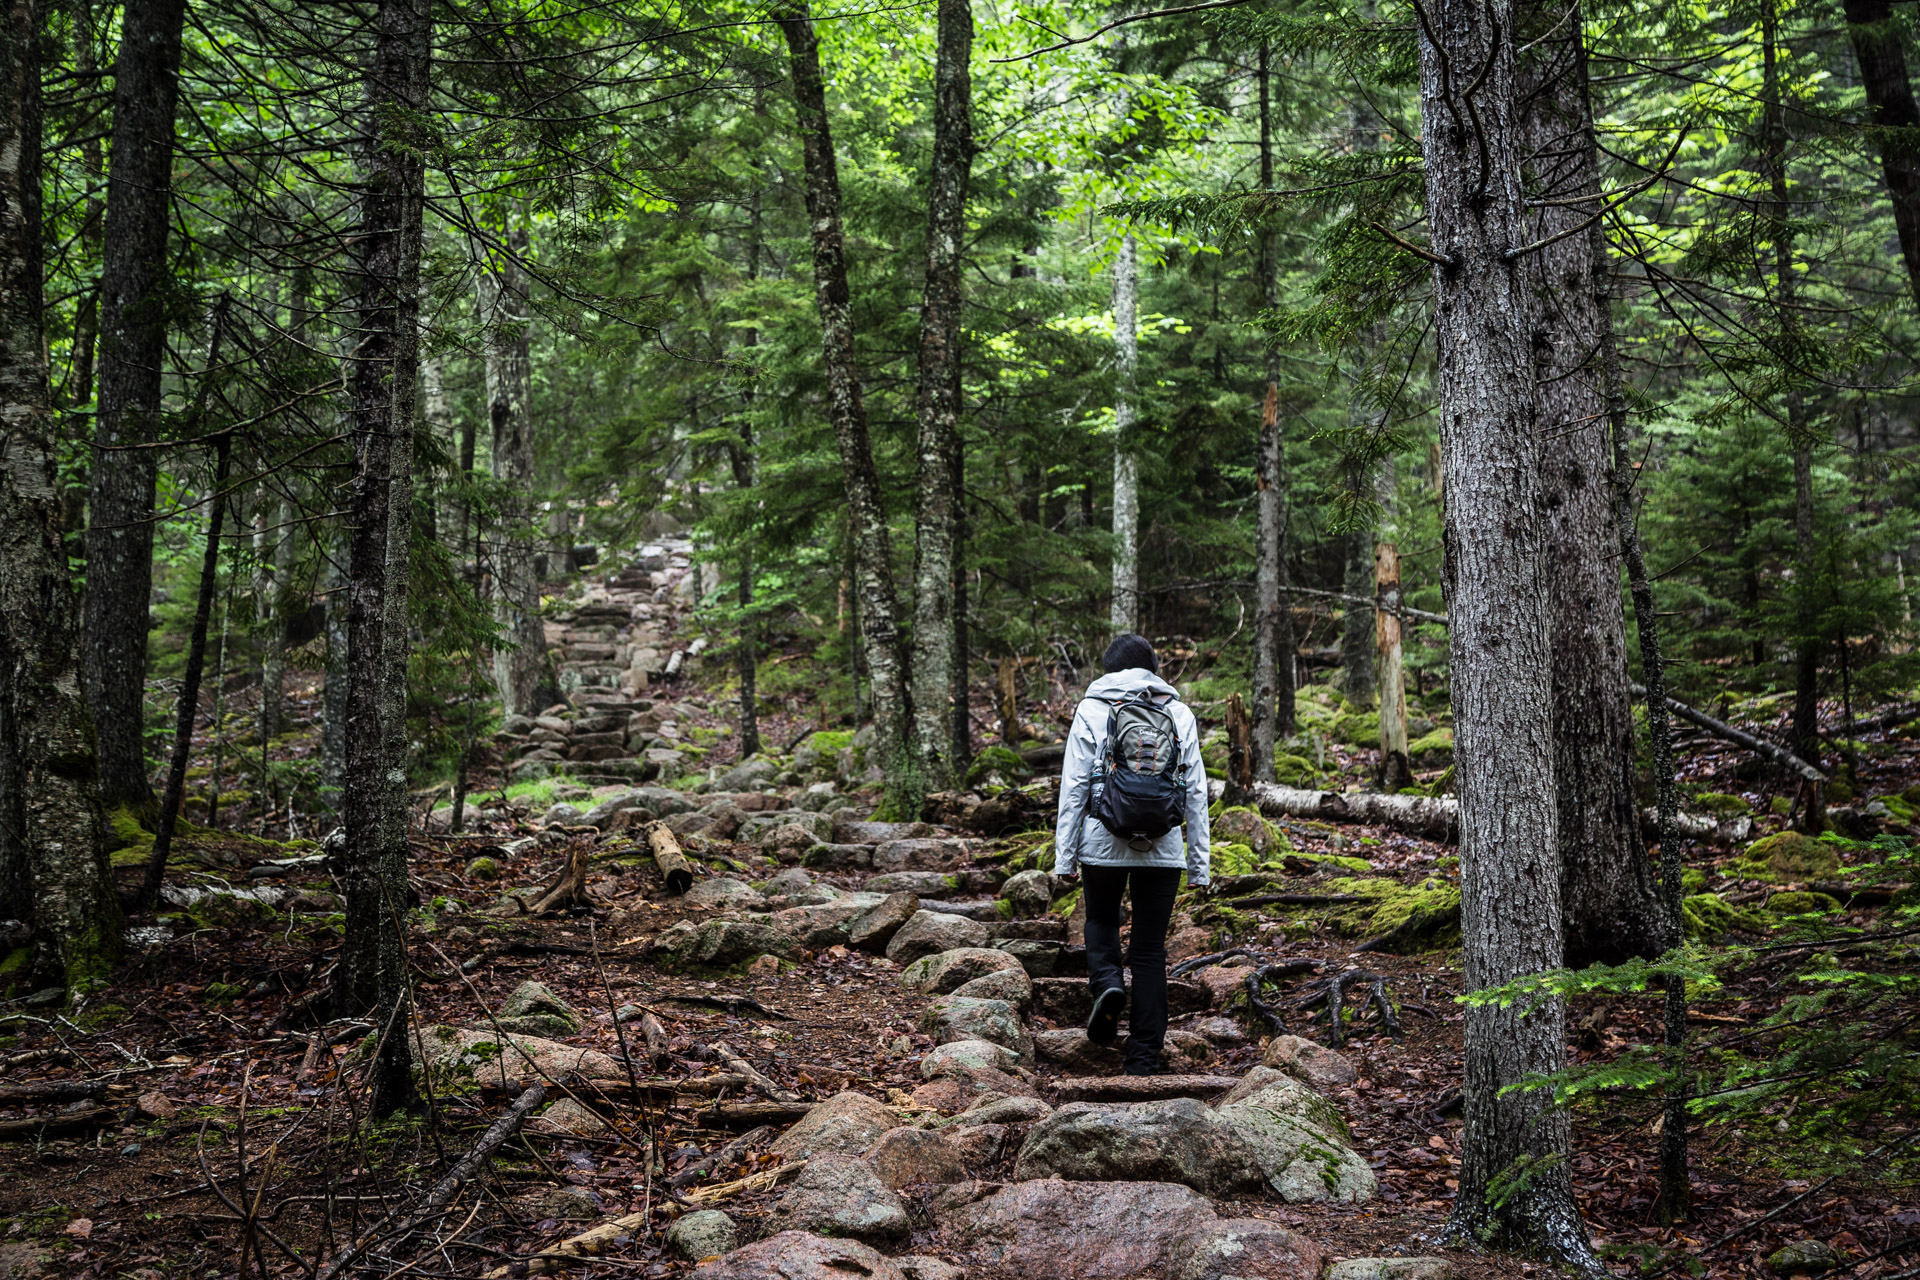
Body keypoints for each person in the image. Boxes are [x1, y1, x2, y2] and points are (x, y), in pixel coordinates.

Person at [1052, 633, 1211, 1076]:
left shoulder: (1092, 708)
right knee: (1148, 950)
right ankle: (1143, 1056)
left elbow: (1075, 787)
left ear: (1109, 670)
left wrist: (1065, 857)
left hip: (1103, 842)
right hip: (1163, 847)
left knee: (1101, 920)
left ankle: (1106, 984)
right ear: (1153, 668)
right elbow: (1195, 792)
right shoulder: (1178, 713)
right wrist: (1199, 865)